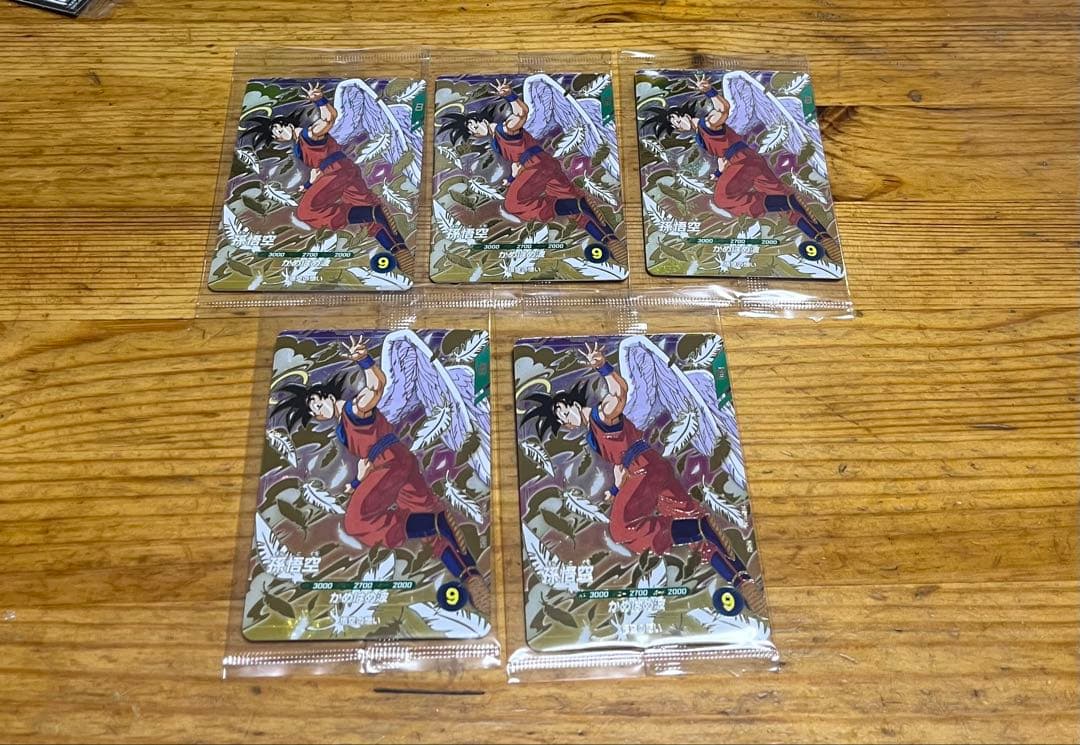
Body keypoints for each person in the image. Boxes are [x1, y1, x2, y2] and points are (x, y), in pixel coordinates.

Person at [523, 342, 764, 614]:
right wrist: (615, 491)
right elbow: (618, 468)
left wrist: (603, 366)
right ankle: (742, 580)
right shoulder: (593, 433)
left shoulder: (603, 414)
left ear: (572, 404)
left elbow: (619, 392)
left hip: (644, 470)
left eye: (564, 413)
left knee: (621, 528)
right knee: (697, 537)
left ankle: (698, 528)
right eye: (562, 422)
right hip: (652, 469)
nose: (567, 422)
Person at [271, 336, 488, 613]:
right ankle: (471, 578)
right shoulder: (343, 427)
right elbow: (365, 461)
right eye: (314, 413)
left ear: (327, 396)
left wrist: (364, 360)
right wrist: (357, 481)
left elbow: (376, 386)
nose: (318, 412)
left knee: (357, 521)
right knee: (432, 535)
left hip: (390, 464)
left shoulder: (355, 408)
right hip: (396, 465)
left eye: (317, 404)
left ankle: (435, 523)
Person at [643, 74, 835, 257]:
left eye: (677, 120)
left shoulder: (707, 123)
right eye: (675, 126)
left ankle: (789, 202)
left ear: (684, 115)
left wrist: (709, 91)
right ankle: (822, 238)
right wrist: (719, 174)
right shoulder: (701, 134)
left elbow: (723, 110)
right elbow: (722, 157)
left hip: (743, 162)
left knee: (723, 198)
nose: (678, 126)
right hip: (750, 162)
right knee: (785, 208)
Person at [438, 80, 618, 248]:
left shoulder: (505, 128)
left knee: (514, 204)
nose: (475, 133)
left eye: (475, 127)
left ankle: (577, 205)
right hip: (545, 166)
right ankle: (610, 241)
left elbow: (521, 113)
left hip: (537, 167)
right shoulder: (496, 141)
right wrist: (511, 179)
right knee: (576, 213)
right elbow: (516, 164)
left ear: (483, 120)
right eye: (472, 133)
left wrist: (510, 96)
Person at [243, 83, 409, 259]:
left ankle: (374, 214)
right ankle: (399, 251)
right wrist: (308, 184)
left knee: (306, 211)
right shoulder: (300, 145)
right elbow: (316, 170)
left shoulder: (309, 134)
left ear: (288, 124)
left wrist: (319, 100)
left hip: (336, 173)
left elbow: (329, 119)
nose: (279, 134)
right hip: (344, 172)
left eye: (279, 129)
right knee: (368, 216)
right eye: (275, 135)